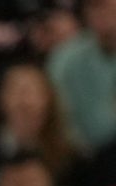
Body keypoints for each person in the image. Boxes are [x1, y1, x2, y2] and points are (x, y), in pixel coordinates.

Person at [48, 0, 116, 152]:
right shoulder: (65, 60)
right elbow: (56, 117)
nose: (101, 12)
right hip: (83, 155)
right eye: (93, 6)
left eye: (106, 5)